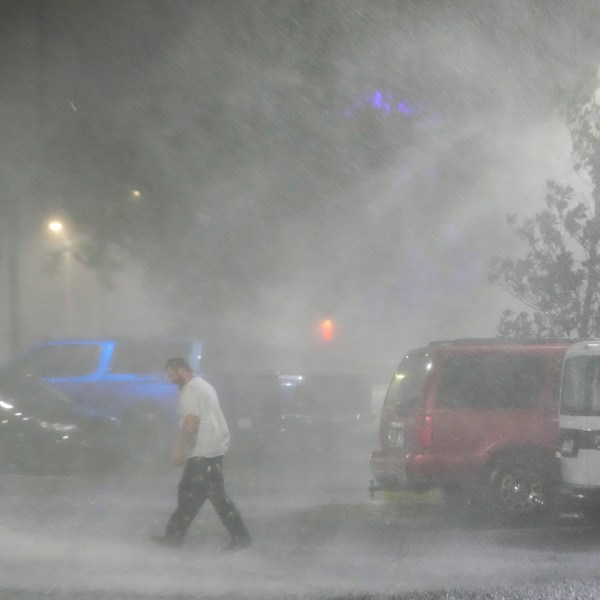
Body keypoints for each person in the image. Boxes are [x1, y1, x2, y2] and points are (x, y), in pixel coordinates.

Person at [151, 357, 251, 550]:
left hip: (205, 451)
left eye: (172, 376)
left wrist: (178, 449)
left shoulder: (192, 389)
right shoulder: (201, 385)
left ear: (181, 370)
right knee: (191, 493)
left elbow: (191, 422)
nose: (171, 381)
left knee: (213, 497)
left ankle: (241, 539)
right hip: (209, 449)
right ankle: (174, 536)